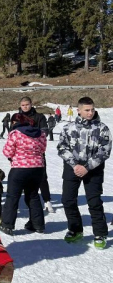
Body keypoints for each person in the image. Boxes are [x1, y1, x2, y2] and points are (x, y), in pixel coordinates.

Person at [57, 97, 111, 249]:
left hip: (93, 169)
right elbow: (62, 147)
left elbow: (105, 151)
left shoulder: (102, 128)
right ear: (78, 110)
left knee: (94, 201)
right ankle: (75, 230)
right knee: (68, 200)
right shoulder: (69, 128)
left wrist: (87, 166)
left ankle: (100, 233)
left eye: (92, 109)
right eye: (87, 110)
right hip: (72, 167)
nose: (90, 113)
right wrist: (75, 165)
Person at [0, 113, 47, 235]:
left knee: (12, 196)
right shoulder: (40, 133)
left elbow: (7, 152)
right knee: (33, 195)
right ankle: (38, 225)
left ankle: (7, 224)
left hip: (20, 168)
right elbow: (43, 149)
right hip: (37, 168)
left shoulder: (15, 133)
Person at [15, 97, 53, 213]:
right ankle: (22, 201)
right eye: (23, 105)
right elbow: (13, 133)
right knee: (21, 177)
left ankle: (47, 201)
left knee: (42, 177)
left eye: (27, 104)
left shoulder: (39, 117)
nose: (25, 107)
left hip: (36, 152)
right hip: (21, 153)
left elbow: (44, 132)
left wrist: (31, 139)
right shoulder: (17, 117)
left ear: (31, 104)